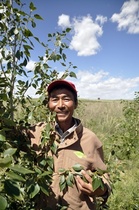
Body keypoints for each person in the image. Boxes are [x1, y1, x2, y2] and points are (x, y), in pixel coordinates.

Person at [29, 79, 111, 210]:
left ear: (76, 104)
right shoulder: (36, 132)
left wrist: (100, 190)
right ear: (48, 104)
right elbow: (12, 134)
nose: (60, 105)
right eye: (55, 99)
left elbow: (104, 177)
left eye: (66, 99)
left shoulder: (90, 139)